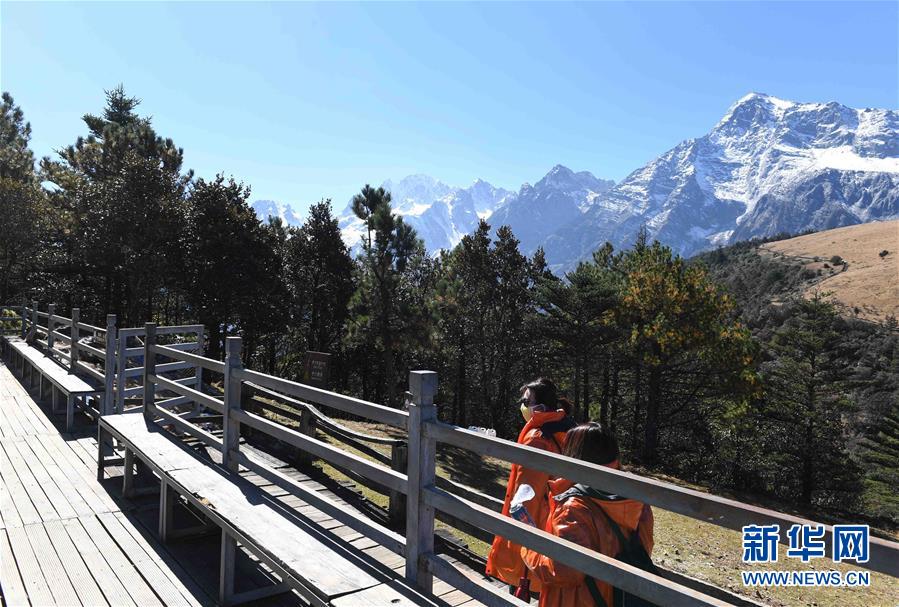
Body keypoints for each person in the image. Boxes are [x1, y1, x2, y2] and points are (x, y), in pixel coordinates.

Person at [522, 422, 654, 607]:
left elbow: (564, 571)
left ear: (574, 455)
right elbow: (644, 547)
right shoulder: (637, 500)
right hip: (620, 598)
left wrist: (529, 547)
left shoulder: (573, 507)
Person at [486, 378, 576, 596]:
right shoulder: (565, 429)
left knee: (524, 583)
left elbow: (525, 496)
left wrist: (521, 535)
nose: (523, 406)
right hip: (558, 521)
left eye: (527, 401)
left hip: (535, 527)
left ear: (541, 408)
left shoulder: (537, 439)